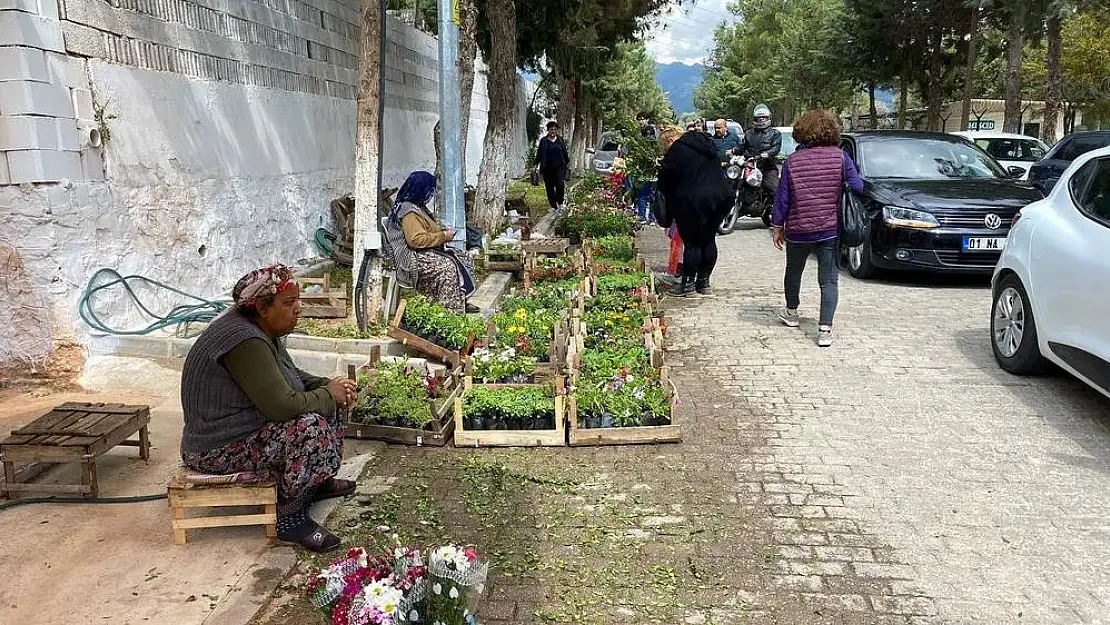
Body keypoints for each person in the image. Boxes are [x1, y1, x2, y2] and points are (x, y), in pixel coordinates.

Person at [180, 265, 356, 552]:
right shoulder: (244, 340)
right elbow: (281, 405)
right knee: (308, 428)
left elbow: (292, 376)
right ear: (262, 307)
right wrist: (327, 394)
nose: (298, 309)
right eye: (289, 303)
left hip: (245, 428)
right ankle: (289, 519)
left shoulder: (261, 330)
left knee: (332, 401)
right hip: (215, 447)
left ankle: (316, 483)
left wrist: (329, 385)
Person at [771, 108, 863, 347]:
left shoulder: (792, 161)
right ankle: (824, 330)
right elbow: (857, 186)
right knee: (829, 279)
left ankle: (791, 313)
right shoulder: (841, 157)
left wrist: (777, 226)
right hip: (830, 229)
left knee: (794, 271)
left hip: (799, 229)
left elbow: (782, 198)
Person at [384, 171, 478, 313]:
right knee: (448, 267)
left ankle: (460, 299)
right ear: (420, 189)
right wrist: (443, 236)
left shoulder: (418, 207)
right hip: (411, 257)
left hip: (424, 251)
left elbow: (425, 230)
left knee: (464, 257)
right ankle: (450, 310)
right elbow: (416, 241)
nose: (431, 194)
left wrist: (441, 232)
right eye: (430, 190)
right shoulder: (408, 211)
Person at [659, 123, 733, 297]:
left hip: (693, 200)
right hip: (722, 197)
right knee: (708, 239)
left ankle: (688, 286)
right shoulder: (706, 143)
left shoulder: (677, 150)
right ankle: (704, 283)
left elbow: (666, 182)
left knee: (692, 243)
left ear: (670, 139)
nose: (666, 150)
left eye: (665, 146)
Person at [739, 104, 783, 205]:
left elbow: (776, 148)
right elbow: (742, 146)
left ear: (769, 118)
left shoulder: (775, 133)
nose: (761, 120)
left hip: (767, 167)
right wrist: (733, 150)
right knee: (737, 182)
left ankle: (776, 213)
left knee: (775, 190)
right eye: (759, 118)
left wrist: (767, 154)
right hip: (750, 166)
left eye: (764, 118)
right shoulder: (749, 133)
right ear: (755, 119)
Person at [536, 121, 570, 211]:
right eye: (551, 129)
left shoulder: (560, 140)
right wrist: (536, 164)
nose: (553, 131)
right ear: (548, 130)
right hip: (547, 168)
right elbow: (539, 153)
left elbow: (564, 152)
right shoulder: (544, 141)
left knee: (560, 184)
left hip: (559, 167)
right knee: (549, 187)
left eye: (555, 129)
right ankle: (553, 205)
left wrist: (567, 162)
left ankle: (560, 202)